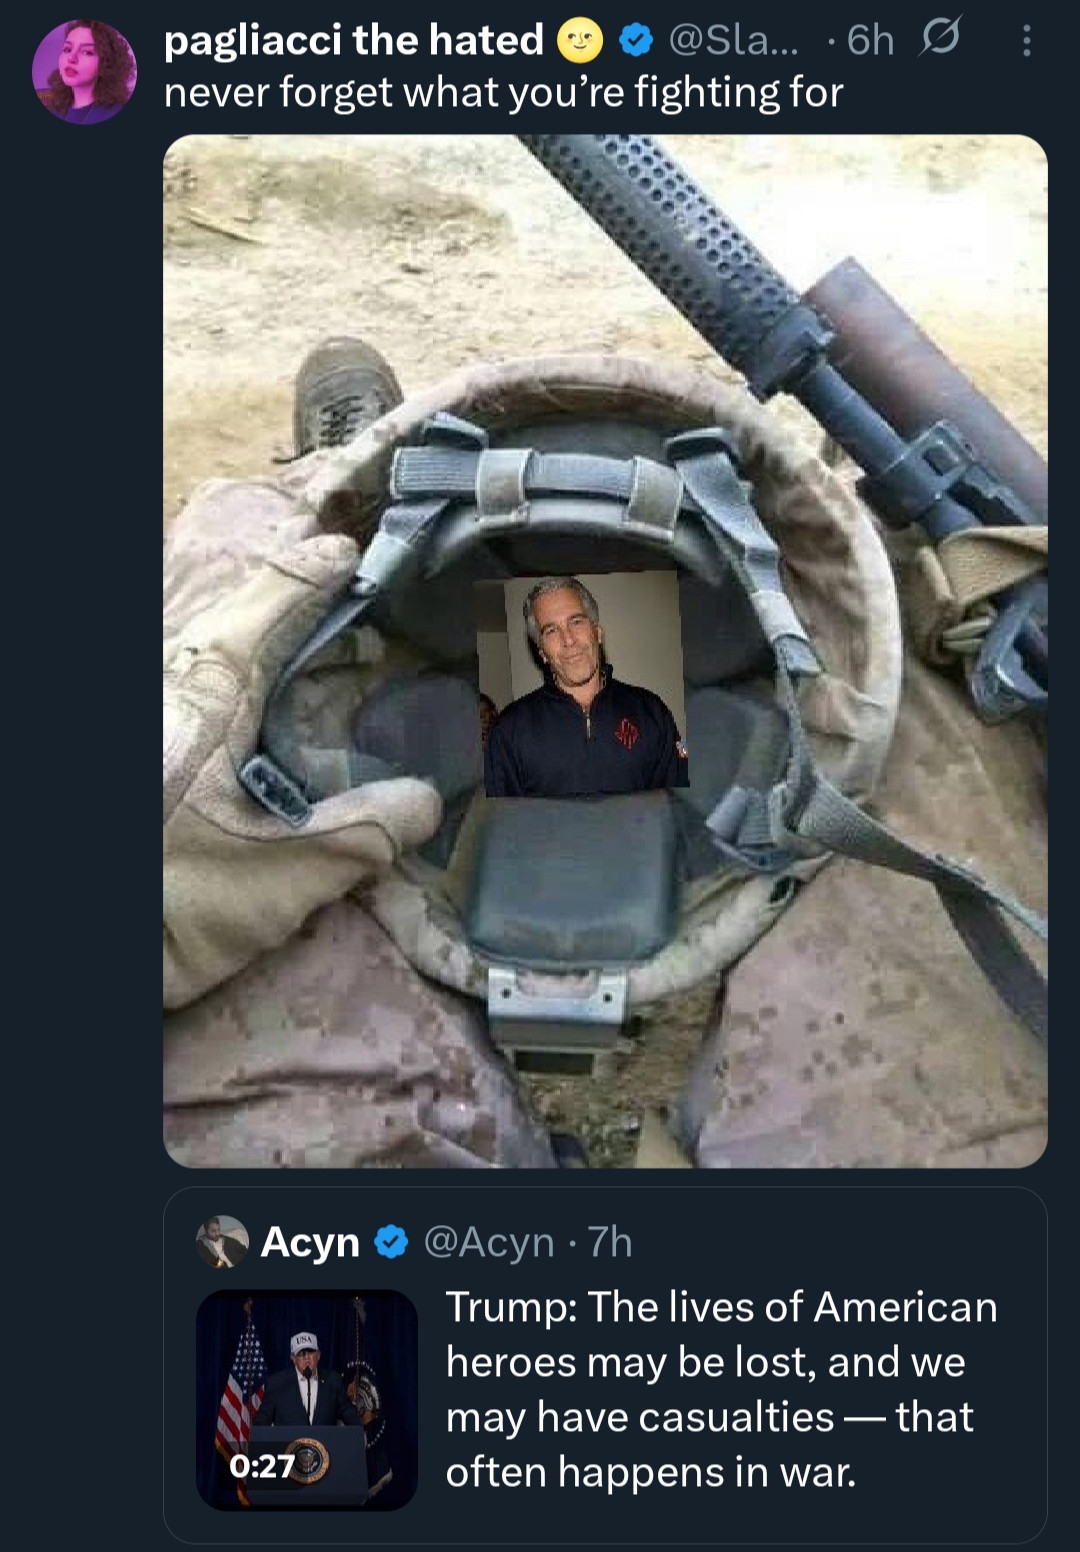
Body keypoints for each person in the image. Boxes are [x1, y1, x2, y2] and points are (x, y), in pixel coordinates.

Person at [484, 577, 690, 798]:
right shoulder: (508, 731)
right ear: (542, 652)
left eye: (576, 621)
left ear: (598, 632)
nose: (568, 640)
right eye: (551, 630)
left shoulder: (652, 712)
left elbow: (679, 806)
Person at [37, 20, 134, 124]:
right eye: (67, 49)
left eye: (87, 52)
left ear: (106, 64)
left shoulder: (115, 111)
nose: (71, 58)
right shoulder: (54, 111)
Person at [258, 1333, 361, 1427]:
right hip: (288, 1442)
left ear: (318, 1355)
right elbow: (262, 1421)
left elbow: (349, 1413)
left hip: (325, 1441)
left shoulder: (333, 1380)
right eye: (301, 1353)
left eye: (311, 1352)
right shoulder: (277, 1383)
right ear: (293, 1358)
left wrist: (359, 1434)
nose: (307, 1358)